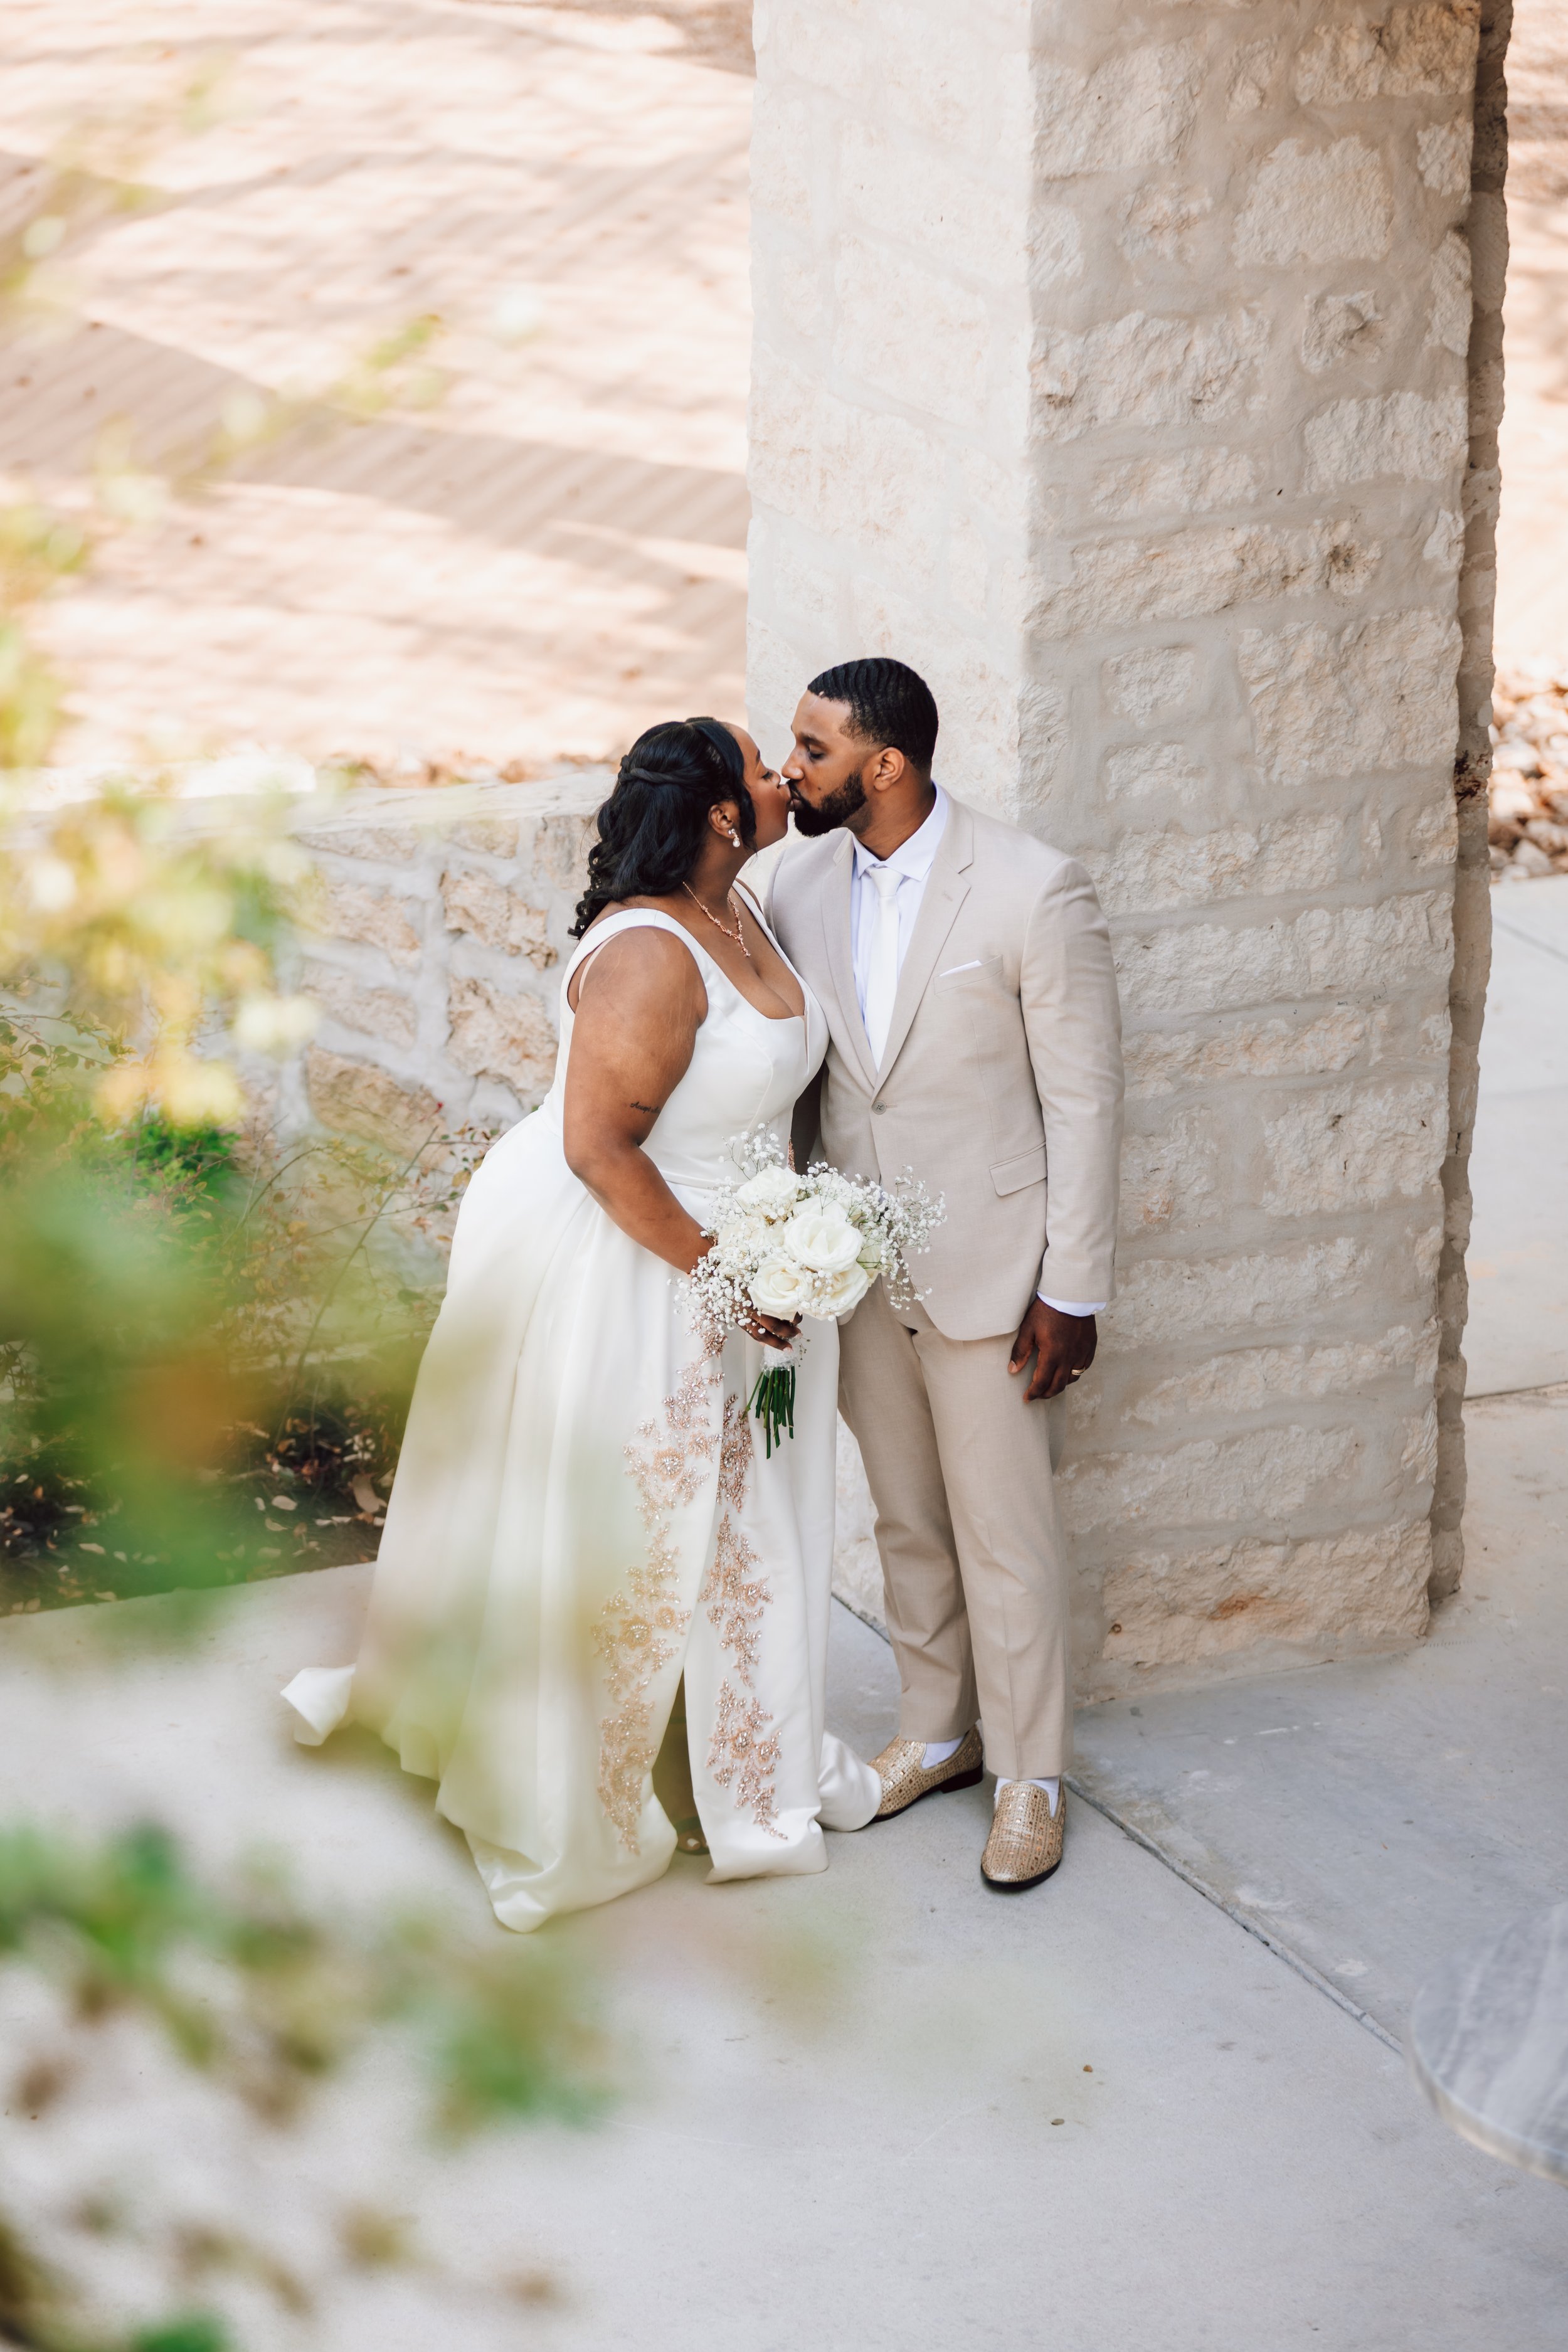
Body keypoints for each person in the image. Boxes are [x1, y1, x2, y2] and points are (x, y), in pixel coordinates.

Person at [282, 718, 880, 1931]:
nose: (780, 782)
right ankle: (574, 1789)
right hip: (640, 1262)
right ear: (720, 810)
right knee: (627, 1527)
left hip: (749, 1252)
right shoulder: (652, 953)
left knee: (748, 1520)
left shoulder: (742, 909)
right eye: (763, 768)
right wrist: (731, 1281)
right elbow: (601, 1148)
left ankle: (743, 1760)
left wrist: (800, 1243)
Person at [768, 658, 1124, 1894]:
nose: (786, 769)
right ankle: (939, 1731)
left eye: (810, 750)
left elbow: (1083, 1101)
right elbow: (803, 1084)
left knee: (1005, 1534)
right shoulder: (794, 882)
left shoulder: (1031, 891)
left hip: (993, 1275)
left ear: (884, 766)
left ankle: (1030, 1775)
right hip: (857, 1272)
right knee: (909, 1520)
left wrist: (1070, 1289)